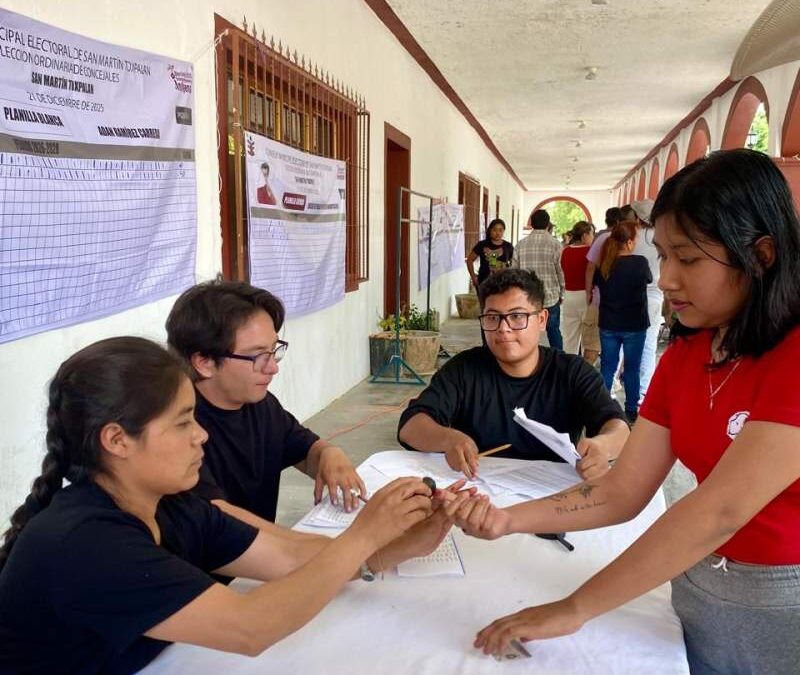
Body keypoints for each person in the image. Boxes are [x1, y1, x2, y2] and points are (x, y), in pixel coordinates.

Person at [452, 149, 800, 675]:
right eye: (662, 255)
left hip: (779, 604)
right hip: (696, 584)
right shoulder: (688, 354)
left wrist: (575, 608)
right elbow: (622, 489)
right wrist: (507, 520)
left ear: (762, 254)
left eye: (688, 259)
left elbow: (720, 513)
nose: (666, 279)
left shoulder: (793, 356)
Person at [0, 337, 470, 674]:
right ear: (117, 440)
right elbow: (250, 628)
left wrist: (398, 544)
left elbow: (288, 559)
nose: (201, 434)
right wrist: (365, 533)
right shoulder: (88, 543)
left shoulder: (171, 504)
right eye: (184, 423)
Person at [397, 268, 629, 481]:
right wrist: (448, 439)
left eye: (517, 316)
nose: (503, 328)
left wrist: (602, 446)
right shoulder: (464, 369)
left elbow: (618, 427)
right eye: (492, 317)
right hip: (480, 493)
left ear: (541, 320)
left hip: (552, 495)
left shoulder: (572, 372)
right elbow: (411, 425)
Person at [166, 280, 365, 527]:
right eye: (258, 355)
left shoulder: (260, 406)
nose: (273, 367)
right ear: (204, 361)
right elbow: (222, 527)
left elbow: (305, 451)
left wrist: (329, 454)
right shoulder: (180, 431)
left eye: (274, 350)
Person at [593, 221, 652, 422]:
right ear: (628, 242)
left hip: (609, 322)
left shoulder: (605, 264)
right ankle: (631, 410)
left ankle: (600, 406)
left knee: (607, 366)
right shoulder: (640, 263)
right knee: (633, 368)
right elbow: (649, 280)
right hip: (635, 324)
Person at [513, 209, 565, 350]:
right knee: (553, 330)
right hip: (551, 295)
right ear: (548, 224)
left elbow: (515, 272)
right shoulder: (556, 245)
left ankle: (525, 357)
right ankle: (559, 361)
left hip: (526, 296)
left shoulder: (520, 245)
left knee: (525, 328)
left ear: (531, 223)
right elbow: (560, 271)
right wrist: (561, 292)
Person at [629, 198, 665, 403]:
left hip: (630, 295)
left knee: (626, 340)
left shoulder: (633, 238)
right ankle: (643, 390)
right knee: (649, 344)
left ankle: (616, 384)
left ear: (637, 218)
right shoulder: (660, 238)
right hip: (654, 296)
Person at [560, 221, 595, 355]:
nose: (593, 237)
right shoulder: (590, 251)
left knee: (570, 337)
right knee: (587, 337)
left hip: (569, 295)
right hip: (585, 295)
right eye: (592, 234)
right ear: (585, 234)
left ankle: (569, 367)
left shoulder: (566, 251)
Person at [466, 217, 514, 290]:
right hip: (484, 282)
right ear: (490, 231)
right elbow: (469, 260)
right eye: (494, 230)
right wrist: (473, 277)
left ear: (503, 231)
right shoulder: (482, 244)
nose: (498, 233)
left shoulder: (508, 246)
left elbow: (513, 263)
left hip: (503, 283)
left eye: (500, 230)